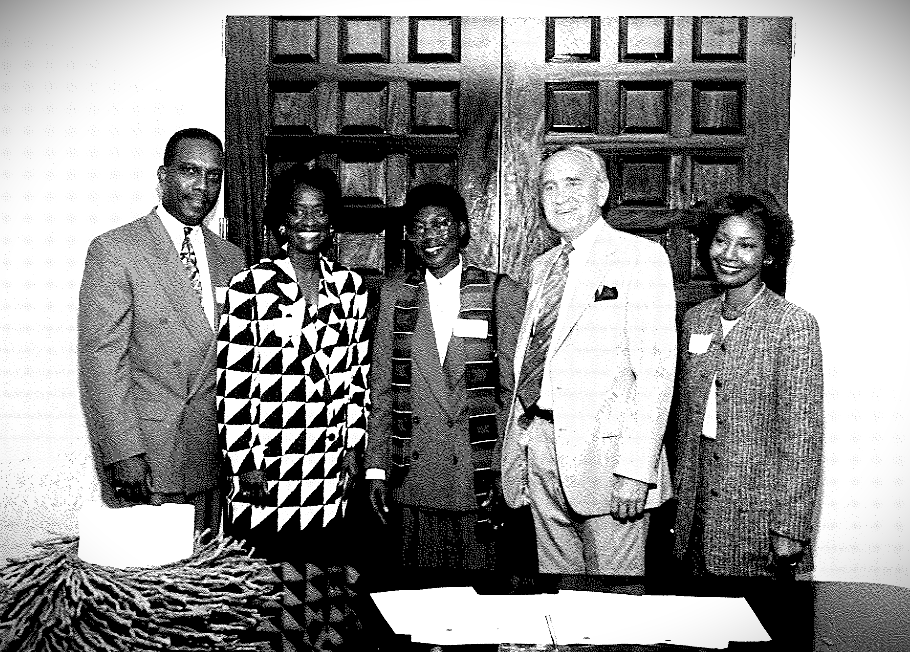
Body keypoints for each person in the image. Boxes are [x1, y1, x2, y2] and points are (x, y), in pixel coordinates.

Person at [499, 145, 676, 575]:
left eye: (573, 183)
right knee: (558, 597)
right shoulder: (543, 267)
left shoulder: (640, 257)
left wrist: (637, 471)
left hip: (609, 459)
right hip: (540, 446)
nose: (559, 196)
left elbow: (655, 375)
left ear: (602, 191)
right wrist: (523, 445)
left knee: (615, 607)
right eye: (549, 186)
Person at [216, 164, 370, 650]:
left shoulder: (351, 288)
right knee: (262, 585)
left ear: (331, 222)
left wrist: (352, 445)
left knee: (322, 584)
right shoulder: (249, 286)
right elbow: (233, 384)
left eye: (319, 211)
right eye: (297, 211)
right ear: (281, 221)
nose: (308, 220)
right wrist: (245, 464)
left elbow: (356, 375)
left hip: (326, 463)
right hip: (268, 462)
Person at [78, 128, 247, 534]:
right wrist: (122, 451)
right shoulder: (115, 249)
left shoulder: (232, 257)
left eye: (213, 175)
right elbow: (101, 360)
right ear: (163, 176)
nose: (202, 186)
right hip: (146, 456)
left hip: (209, 453)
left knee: (203, 580)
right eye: (190, 171)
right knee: (148, 586)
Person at [366, 182, 528, 571]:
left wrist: (505, 470)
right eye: (419, 227)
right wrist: (376, 468)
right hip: (414, 475)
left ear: (462, 229)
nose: (429, 236)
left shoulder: (497, 292)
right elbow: (383, 389)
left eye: (440, 224)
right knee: (418, 599)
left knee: (482, 602)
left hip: (477, 475)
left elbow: (513, 393)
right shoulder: (395, 294)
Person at [672, 192, 823, 578]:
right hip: (696, 497)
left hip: (757, 504)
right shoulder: (696, 319)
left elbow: (802, 437)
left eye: (746, 245)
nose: (729, 254)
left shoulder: (792, 325)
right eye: (721, 241)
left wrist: (790, 526)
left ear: (768, 255)